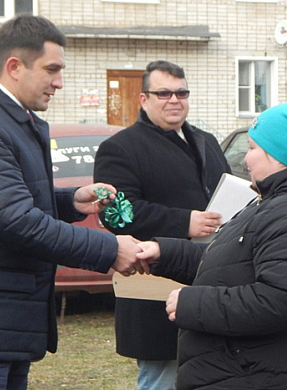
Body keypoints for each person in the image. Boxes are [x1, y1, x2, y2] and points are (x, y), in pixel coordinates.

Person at [0, 15, 143, 390]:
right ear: (14, 67)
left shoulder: (12, 119)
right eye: (51, 69)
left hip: (2, 322)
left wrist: (72, 202)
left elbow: (14, 200)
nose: (59, 82)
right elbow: (15, 223)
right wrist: (109, 249)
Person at [136, 102, 287, 389]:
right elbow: (232, 262)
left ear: (280, 154)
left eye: (253, 148)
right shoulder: (277, 204)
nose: (246, 159)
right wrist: (165, 253)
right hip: (248, 371)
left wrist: (191, 303)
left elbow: (279, 300)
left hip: (263, 375)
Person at [94, 60, 231, 389]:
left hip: (212, 283)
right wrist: (186, 222)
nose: (175, 100)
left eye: (181, 92)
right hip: (154, 290)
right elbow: (118, 216)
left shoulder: (207, 141)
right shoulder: (120, 148)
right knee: (163, 379)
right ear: (143, 99)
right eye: (164, 93)